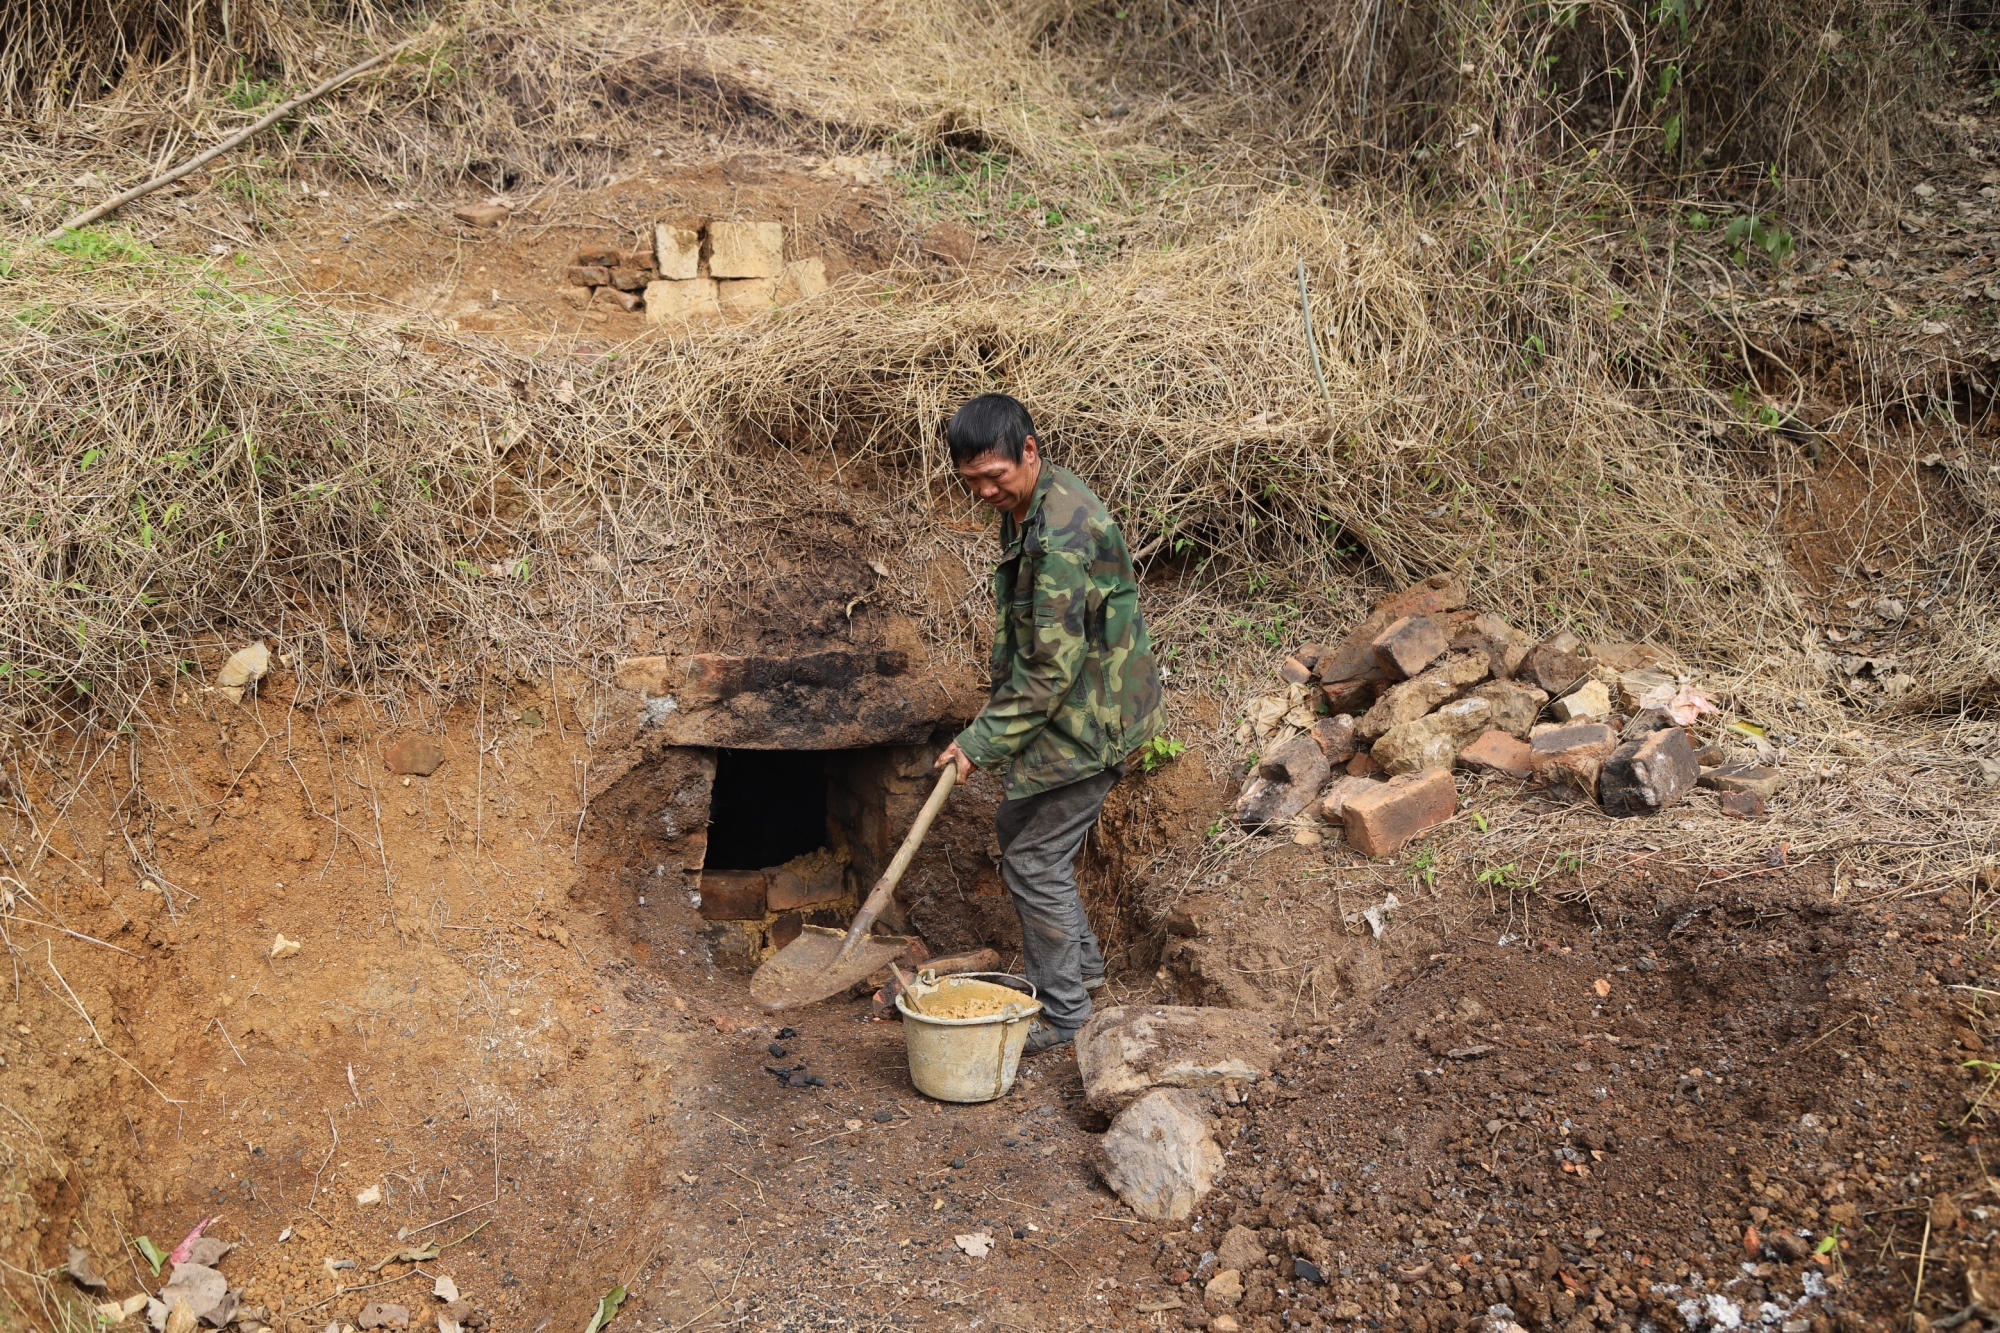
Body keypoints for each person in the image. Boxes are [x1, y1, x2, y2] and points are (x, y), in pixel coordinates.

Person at [934, 393, 1168, 1053]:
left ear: (1029, 451)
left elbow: (1050, 672)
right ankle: (1084, 972)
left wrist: (978, 742)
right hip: (1076, 704)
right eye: (970, 480)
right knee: (1019, 829)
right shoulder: (1028, 504)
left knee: (1035, 857)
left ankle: (1065, 1014)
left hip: (1096, 717)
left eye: (994, 476)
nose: (983, 491)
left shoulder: (1062, 531)